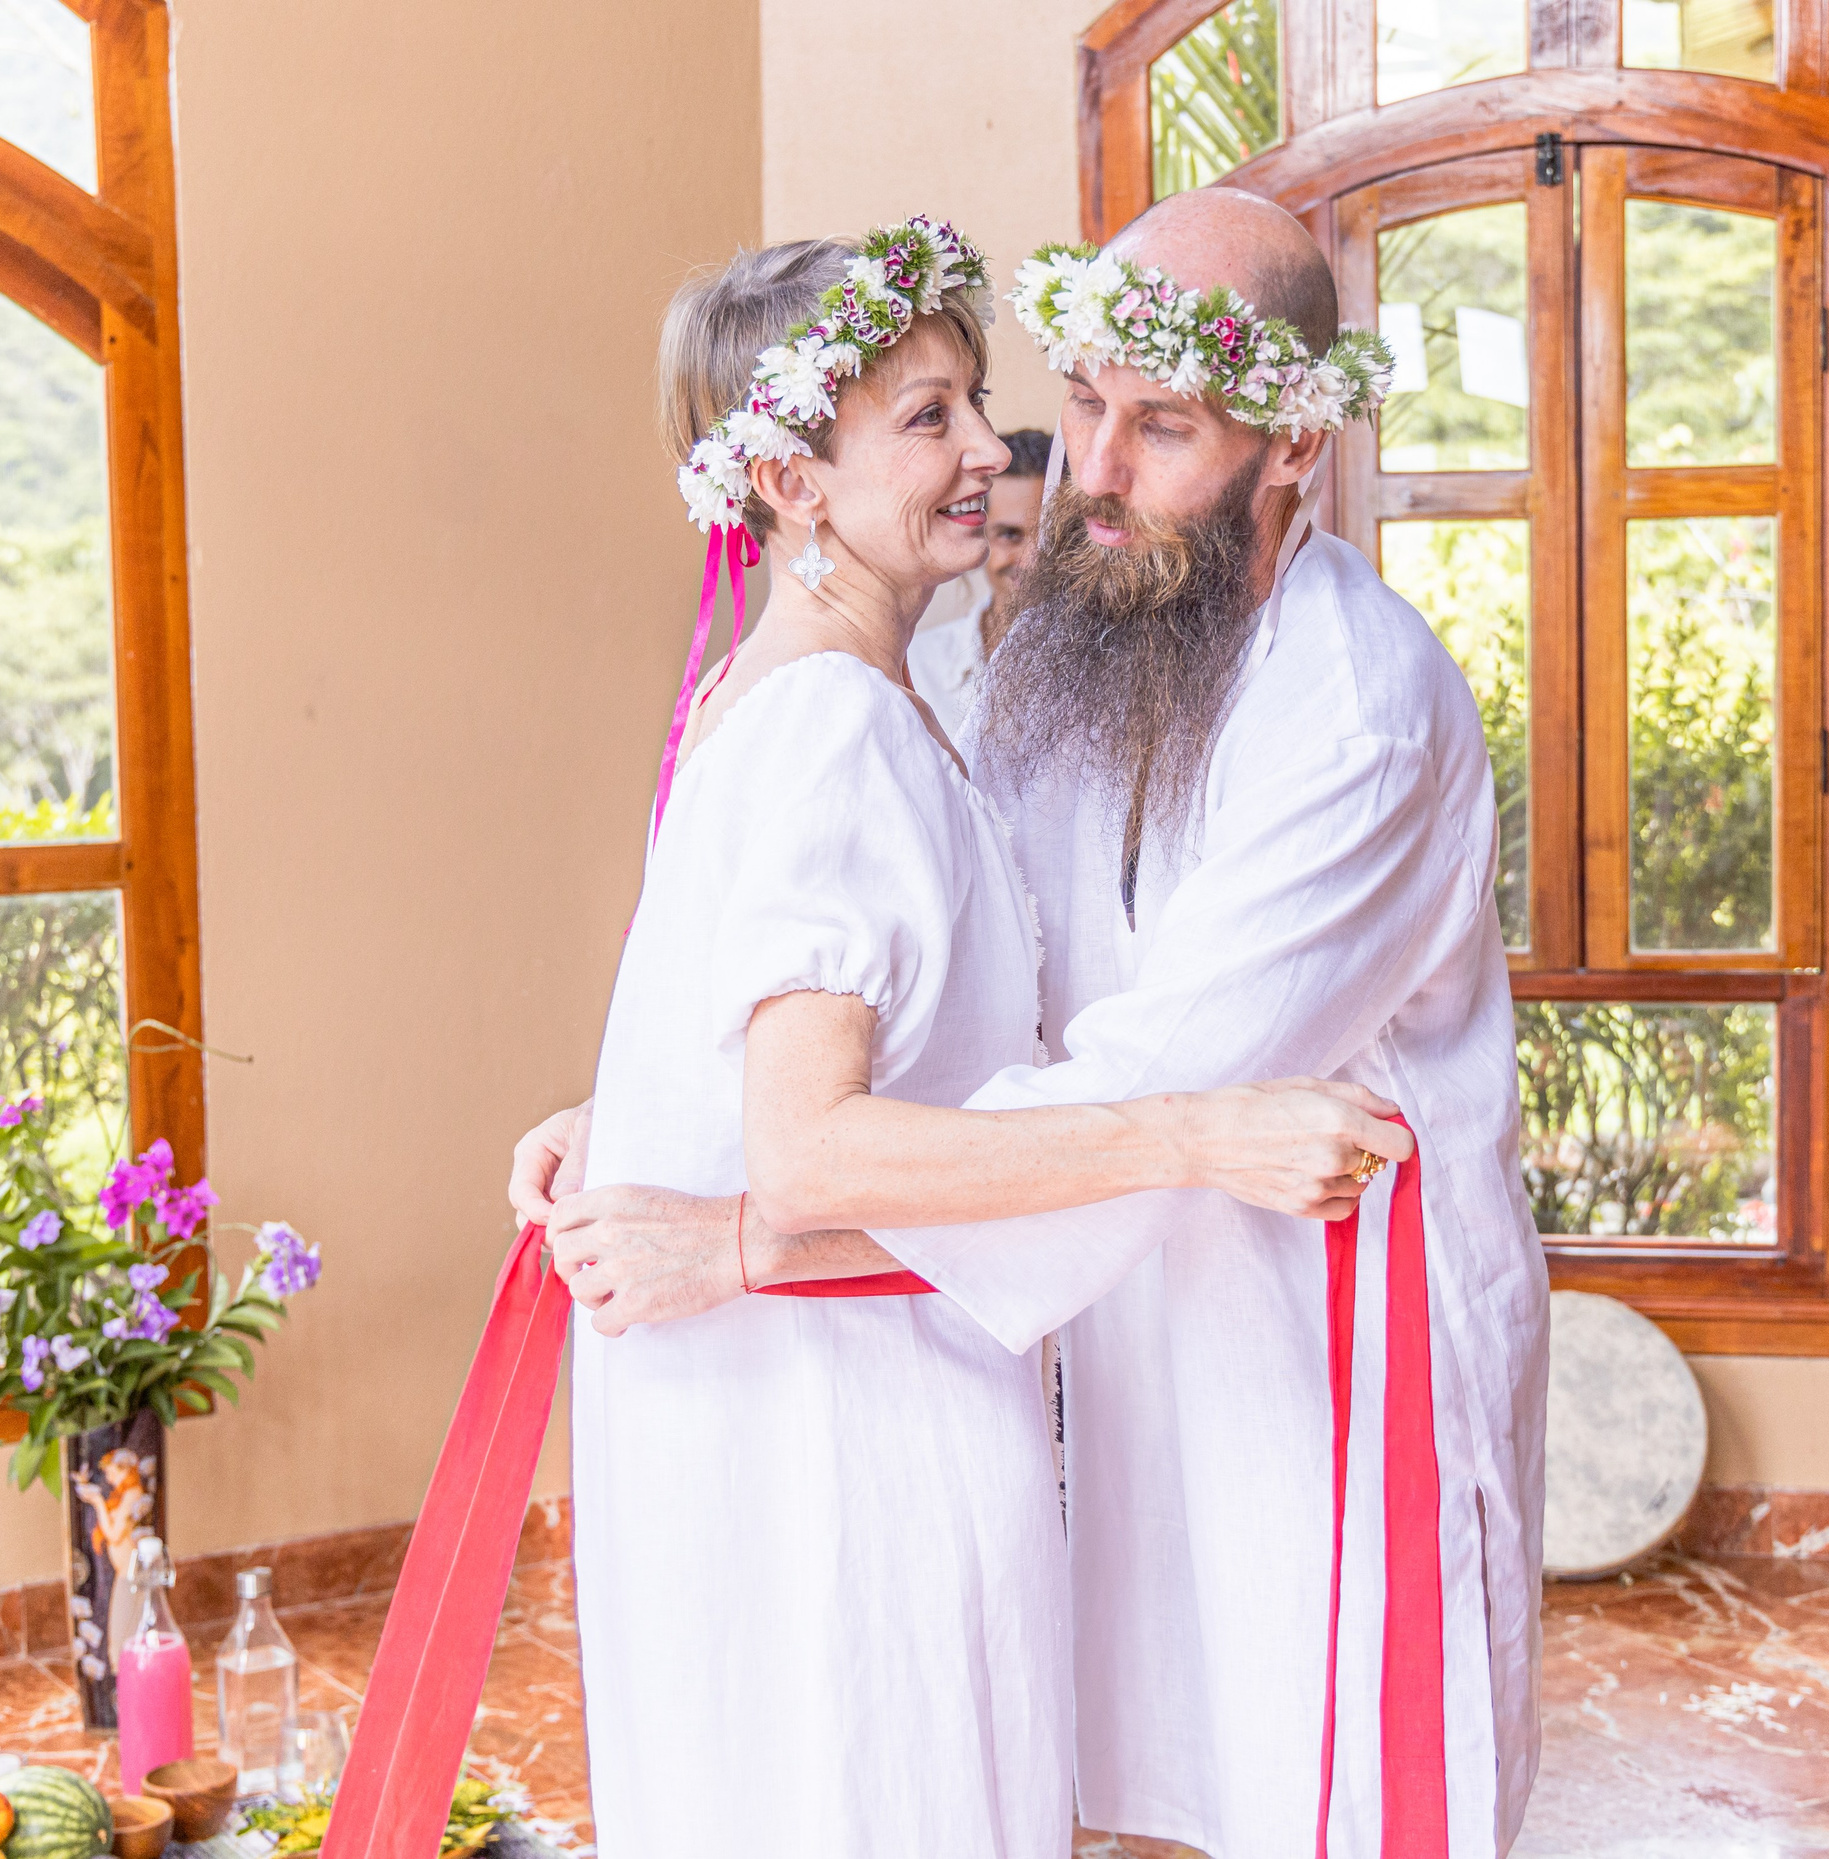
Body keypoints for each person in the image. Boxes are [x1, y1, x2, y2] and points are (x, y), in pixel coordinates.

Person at [521, 189, 1548, 1858]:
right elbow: (939, 971)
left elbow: (1169, 1079)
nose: (1090, 466)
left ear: (1293, 444)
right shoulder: (1064, 645)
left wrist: (756, 1233)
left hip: (1317, 1363)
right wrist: (661, 1107)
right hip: (1100, 1337)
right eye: (1077, 401)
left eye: (1164, 426)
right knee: (1120, 1782)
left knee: (1328, 1789)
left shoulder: (1356, 709)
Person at [906, 425, 1050, 743]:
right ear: (978, 535)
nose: (1032, 560)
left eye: (1052, 537)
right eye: (1009, 535)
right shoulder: (916, 667)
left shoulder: (1115, 668)